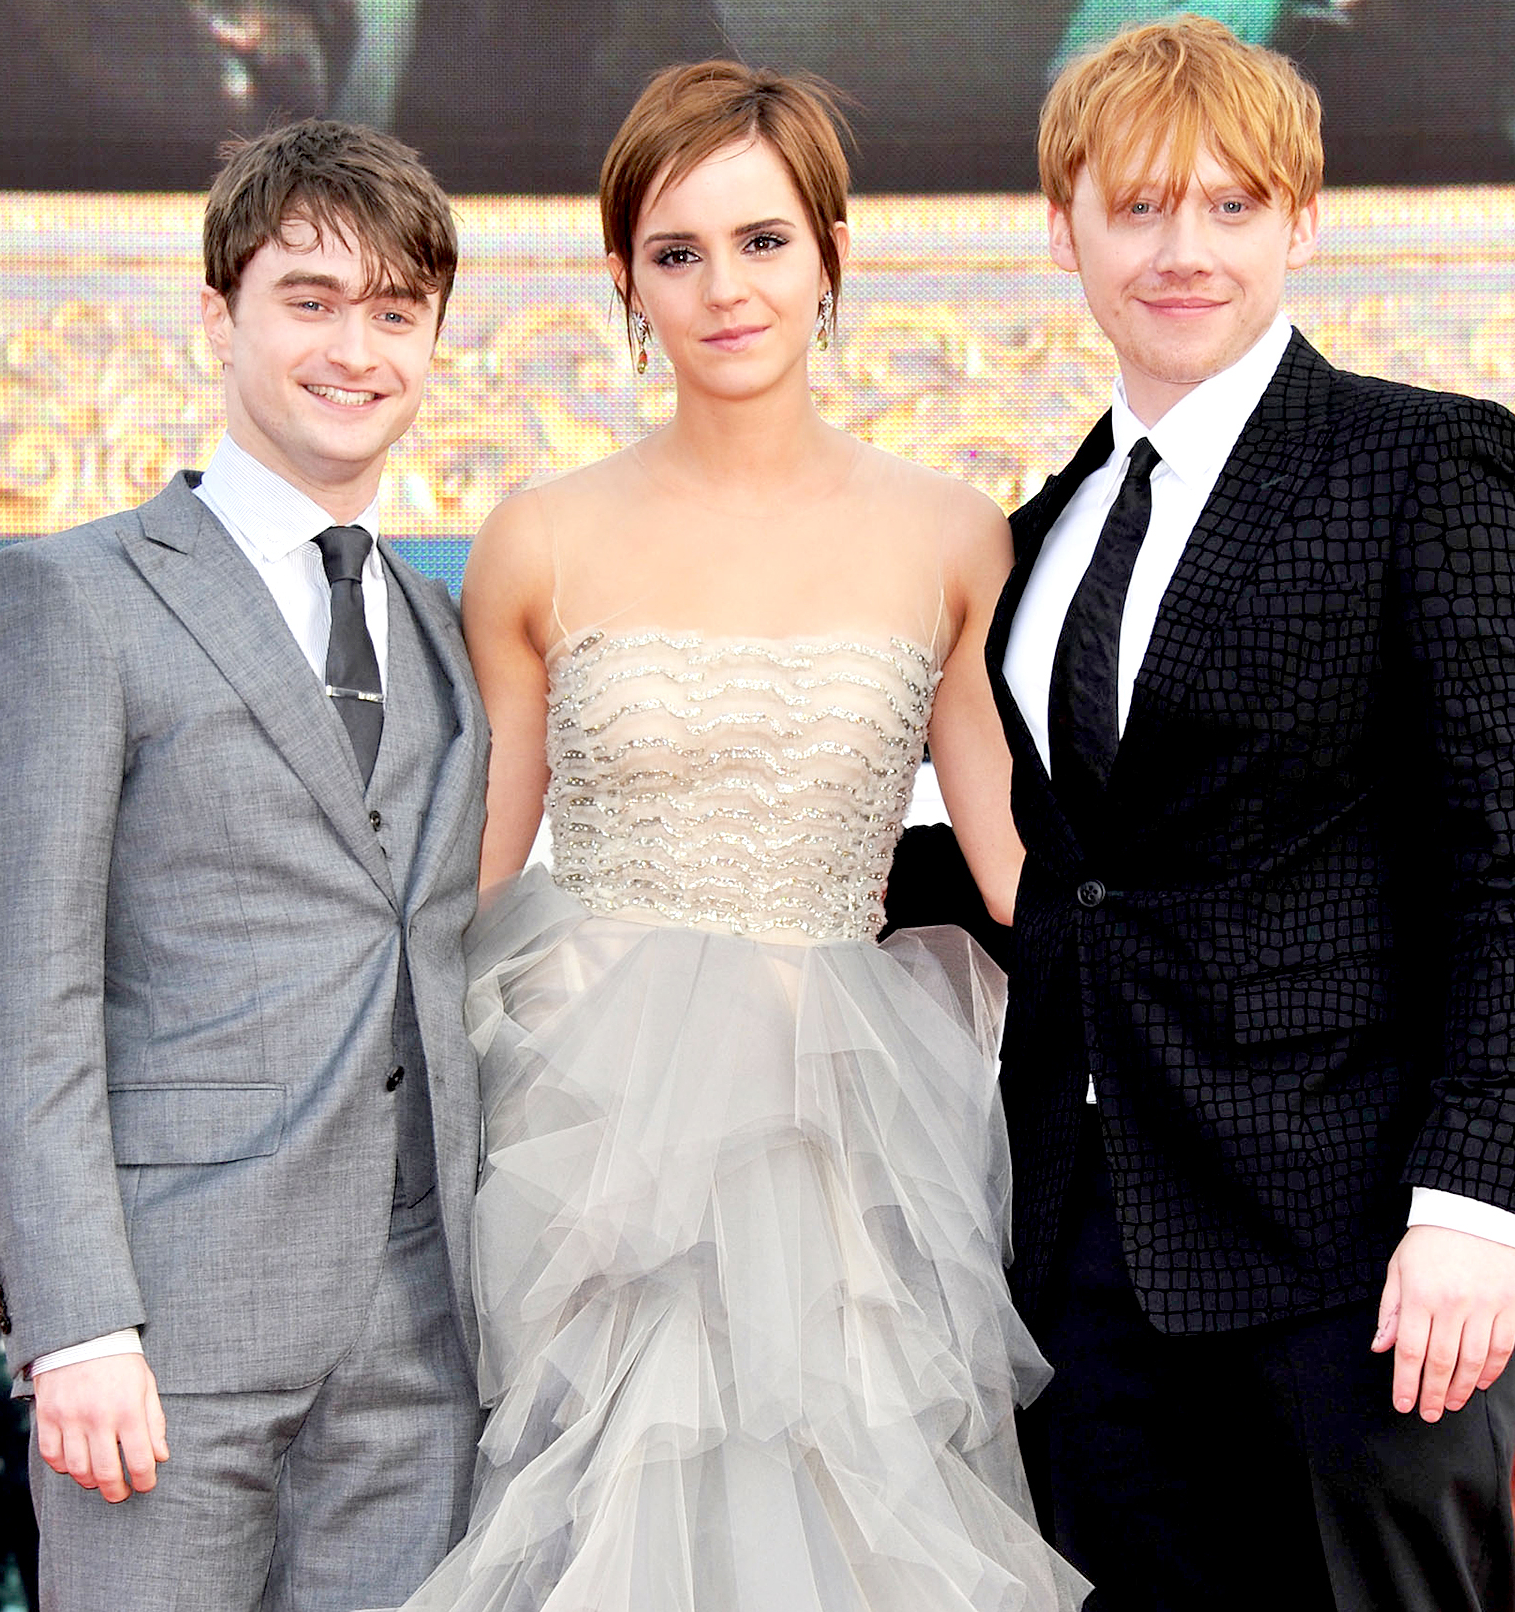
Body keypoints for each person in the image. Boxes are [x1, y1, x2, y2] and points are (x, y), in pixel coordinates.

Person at [387, 60, 1088, 1612]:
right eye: (677, 251)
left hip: (846, 1128)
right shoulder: (538, 536)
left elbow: (1019, 876)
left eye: (765, 241)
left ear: (831, 254)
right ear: (625, 279)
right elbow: (468, 879)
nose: (725, 289)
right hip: (591, 1133)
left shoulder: (951, 533)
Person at [986, 17, 1515, 1610]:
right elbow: (1071, 879)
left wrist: (1479, 1203)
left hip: (1362, 1258)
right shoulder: (1040, 535)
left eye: (1232, 205)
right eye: (1138, 207)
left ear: (1303, 223)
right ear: (1063, 230)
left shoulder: (1427, 463)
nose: (1183, 250)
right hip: (1085, 1266)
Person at [0, 119, 489, 1612]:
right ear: (217, 316)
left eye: (397, 312)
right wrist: (75, 1327)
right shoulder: (69, 598)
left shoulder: (446, 631)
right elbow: (20, 994)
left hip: (421, 1348)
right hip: (162, 1338)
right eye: (310, 300)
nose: (356, 350)